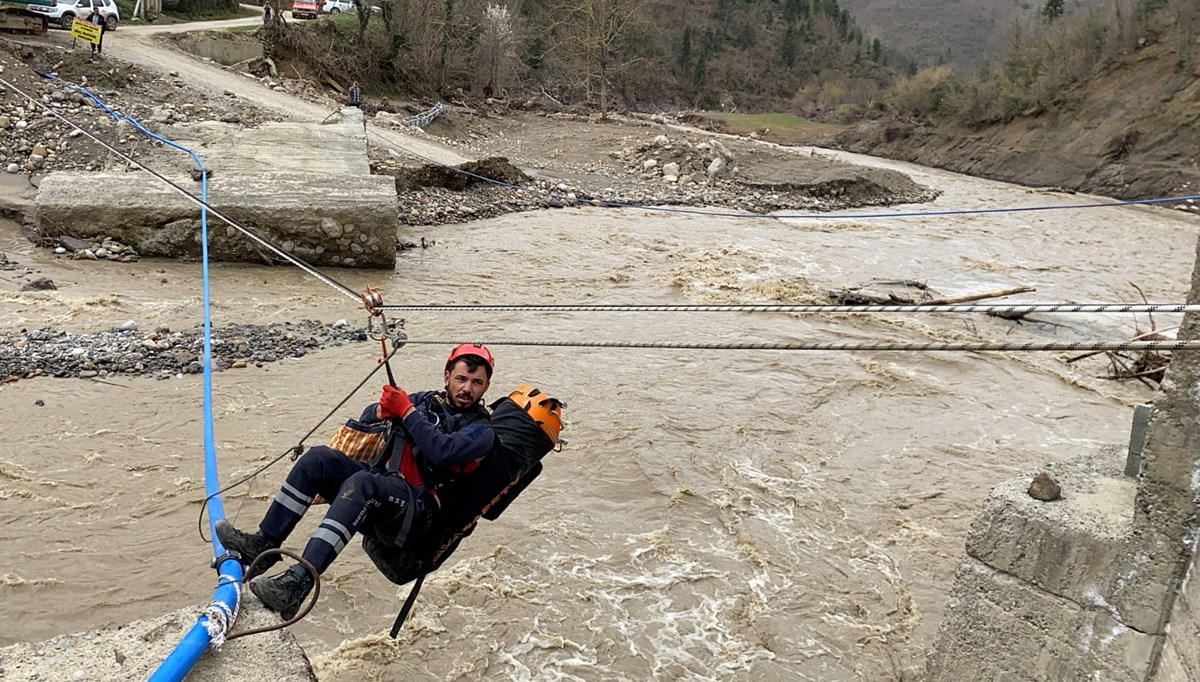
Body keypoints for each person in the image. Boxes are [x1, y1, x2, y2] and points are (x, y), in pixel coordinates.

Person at [216, 343, 497, 620]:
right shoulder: (424, 401)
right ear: (447, 377)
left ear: (485, 388)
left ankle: (299, 582)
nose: (467, 388)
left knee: (364, 482)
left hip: (418, 513)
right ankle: (264, 545)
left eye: (476, 382)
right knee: (319, 460)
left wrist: (406, 412)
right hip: (384, 490)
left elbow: (442, 451)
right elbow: (370, 419)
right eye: (461, 379)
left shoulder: (482, 430)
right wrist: (382, 411)